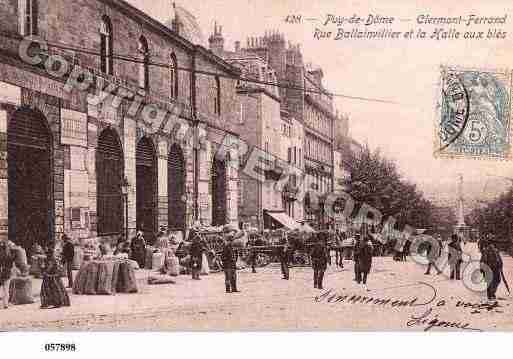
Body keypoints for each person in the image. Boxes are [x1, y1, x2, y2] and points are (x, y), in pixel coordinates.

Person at [0, 240, 14, 309]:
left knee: (3, 288)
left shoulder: (1, 254)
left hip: (2, 272)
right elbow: (11, 265)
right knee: (6, 289)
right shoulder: (9, 255)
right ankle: (5, 304)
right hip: (7, 272)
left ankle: (5, 304)